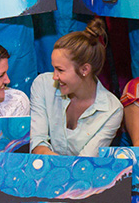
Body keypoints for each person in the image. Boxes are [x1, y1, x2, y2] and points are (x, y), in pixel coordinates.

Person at [29, 18, 123, 156]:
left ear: (85, 69)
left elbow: (87, 160)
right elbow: (37, 141)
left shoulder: (112, 110)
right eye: (53, 68)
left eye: (60, 70)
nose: (54, 76)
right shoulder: (42, 84)